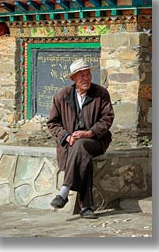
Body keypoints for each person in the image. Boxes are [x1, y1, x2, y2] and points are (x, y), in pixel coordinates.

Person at [47, 58, 114, 219]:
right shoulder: (62, 96)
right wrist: (66, 136)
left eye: (88, 74)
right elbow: (52, 123)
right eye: (81, 76)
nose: (86, 79)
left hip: (96, 140)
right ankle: (86, 207)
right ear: (73, 79)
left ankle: (64, 190)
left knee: (82, 144)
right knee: (82, 155)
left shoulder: (100, 93)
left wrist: (90, 132)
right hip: (71, 143)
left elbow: (107, 119)